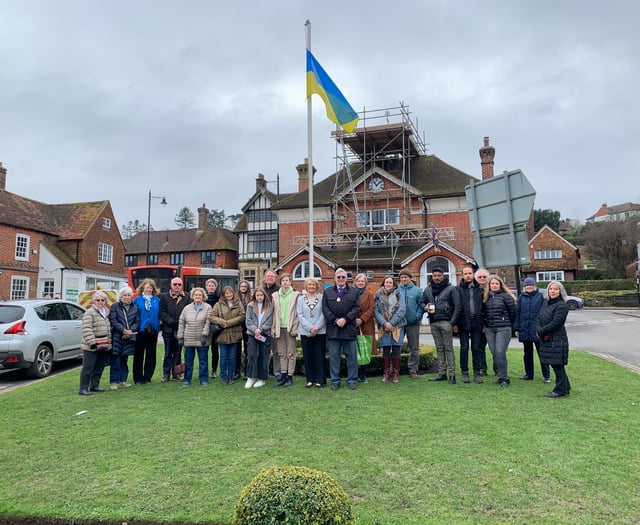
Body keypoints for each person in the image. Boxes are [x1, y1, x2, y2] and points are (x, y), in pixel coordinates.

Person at [321, 268, 360, 390]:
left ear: (346, 279)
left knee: (351, 357)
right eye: (339, 277)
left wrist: (345, 319)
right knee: (334, 358)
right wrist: (336, 320)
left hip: (348, 329)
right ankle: (335, 381)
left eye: (343, 277)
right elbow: (325, 309)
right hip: (333, 329)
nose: (341, 279)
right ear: (335, 279)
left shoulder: (354, 292)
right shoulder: (327, 292)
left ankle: (352, 380)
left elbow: (356, 308)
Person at [421, 268, 461, 384]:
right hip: (433, 322)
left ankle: (452, 374)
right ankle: (441, 373)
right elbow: (422, 302)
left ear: (443, 276)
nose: (437, 277)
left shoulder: (451, 289)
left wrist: (452, 322)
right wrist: (425, 307)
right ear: (432, 277)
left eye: (439, 275)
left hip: (446, 321)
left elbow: (457, 306)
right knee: (439, 348)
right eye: (434, 275)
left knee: (448, 348)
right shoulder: (428, 289)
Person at [537, 281, 571, 398]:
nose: (553, 291)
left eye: (556, 289)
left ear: (560, 291)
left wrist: (541, 331)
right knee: (554, 364)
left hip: (557, 338)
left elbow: (556, 322)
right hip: (546, 338)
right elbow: (539, 317)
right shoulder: (546, 303)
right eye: (551, 289)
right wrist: (539, 329)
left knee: (557, 364)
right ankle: (566, 387)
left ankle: (560, 390)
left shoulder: (562, 305)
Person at [482, 275, 517, 388]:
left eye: (497, 283)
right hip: (490, 329)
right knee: (495, 353)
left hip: (503, 328)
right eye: (492, 283)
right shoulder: (486, 297)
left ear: (500, 285)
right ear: (489, 285)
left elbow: (513, 313)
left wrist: (511, 326)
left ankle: (505, 378)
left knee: (500, 352)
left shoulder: (506, 297)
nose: (494, 285)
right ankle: (501, 376)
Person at [514, 277, 550, 383]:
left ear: (534, 286)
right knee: (527, 354)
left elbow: (545, 314)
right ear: (524, 287)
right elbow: (518, 313)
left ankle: (546, 375)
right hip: (524, 329)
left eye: (530, 285)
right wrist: (516, 328)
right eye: (526, 285)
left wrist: (543, 328)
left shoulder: (540, 297)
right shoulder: (521, 297)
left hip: (537, 330)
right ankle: (529, 374)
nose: (528, 287)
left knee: (541, 353)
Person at [455, 264, 486, 384]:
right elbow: (456, 307)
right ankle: (465, 372)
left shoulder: (480, 289)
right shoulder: (457, 290)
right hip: (463, 322)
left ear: (473, 275)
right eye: (465, 274)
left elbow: (484, 307)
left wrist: (483, 320)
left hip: (477, 322)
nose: (468, 276)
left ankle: (477, 373)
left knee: (476, 348)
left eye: (470, 273)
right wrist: (455, 323)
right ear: (462, 276)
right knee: (464, 348)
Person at [374, 275, 407, 384]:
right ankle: (386, 373)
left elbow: (402, 309)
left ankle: (396, 374)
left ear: (393, 284)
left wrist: (392, 323)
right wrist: (385, 323)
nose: (388, 284)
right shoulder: (378, 295)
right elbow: (376, 311)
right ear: (383, 284)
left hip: (397, 326)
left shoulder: (399, 294)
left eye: (390, 283)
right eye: (386, 282)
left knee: (396, 349)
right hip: (384, 327)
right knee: (386, 350)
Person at [210, 286, 245, 385]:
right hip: (222, 334)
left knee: (232, 357)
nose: (229, 295)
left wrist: (228, 323)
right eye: (227, 293)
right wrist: (222, 322)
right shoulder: (218, 304)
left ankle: (231, 376)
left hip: (234, 333)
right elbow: (212, 317)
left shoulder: (238, 304)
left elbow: (242, 316)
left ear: (233, 293)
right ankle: (223, 377)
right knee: (224, 357)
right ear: (223, 295)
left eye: (230, 293)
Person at [78, 291, 112, 395]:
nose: (100, 302)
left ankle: (94, 386)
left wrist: (109, 343)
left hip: (103, 345)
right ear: (94, 301)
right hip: (91, 346)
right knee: (88, 368)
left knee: (99, 367)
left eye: (102, 300)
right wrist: (92, 342)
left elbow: (108, 330)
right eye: (98, 300)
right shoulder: (89, 312)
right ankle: (83, 388)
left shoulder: (106, 312)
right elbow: (87, 328)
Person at [177, 287, 212, 386]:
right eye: (196, 295)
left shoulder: (208, 307)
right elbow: (181, 322)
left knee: (203, 360)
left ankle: (204, 379)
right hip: (189, 338)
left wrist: (205, 334)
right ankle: (187, 379)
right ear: (193, 296)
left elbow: (208, 322)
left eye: (199, 295)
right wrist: (180, 336)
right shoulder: (187, 308)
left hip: (202, 339)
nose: (197, 296)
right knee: (188, 361)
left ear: (203, 296)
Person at [297, 277, 327, 388]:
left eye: (313, 285)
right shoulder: (301, 299)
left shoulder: (322, 298)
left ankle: (320, 379)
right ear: (306, 286)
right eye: (309, 285)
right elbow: (300, 315)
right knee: (308, 356)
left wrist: (316, 328)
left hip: (320, 331)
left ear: (316, 286)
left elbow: (324, 314)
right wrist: (310, 328)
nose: (311, 287)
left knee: (319, 356)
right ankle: (309, 379)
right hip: (305, 331)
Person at [159, 277, 190, 382]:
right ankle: (166, 373)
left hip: (181, 329)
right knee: (168, 352)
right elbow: (162, 312)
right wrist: (171, 322)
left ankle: (176, 373)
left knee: (178, 352)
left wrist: (181, 323)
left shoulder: (187, 297)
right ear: (171, 285)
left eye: (179, 284)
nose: (177, 286)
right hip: (168, 329)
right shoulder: (164, 296)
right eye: (175, 284)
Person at [108, 286, 139, 390]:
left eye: (128, 295)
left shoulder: (135, 307)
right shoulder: (115, 306)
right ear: (120, 296)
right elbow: (113, 320)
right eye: (124, 295)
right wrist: (123, 330)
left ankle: (123, 381)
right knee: (115, 360)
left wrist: (131, 331)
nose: (127, 297)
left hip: (129, 337)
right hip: (118, 336)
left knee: (124, 360)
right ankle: (113, 382)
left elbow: (137, 321)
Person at [271, 273, 299, 387]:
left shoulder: (296, 295)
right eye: (283, 281)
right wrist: (273, 327)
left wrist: (294, 326)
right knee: (281, 353)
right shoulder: (275, 296)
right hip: (279, 327)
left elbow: (297, 313)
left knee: (290, 353)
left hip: (290, 327)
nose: (285, 283)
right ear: (280, 283)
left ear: (290, 282)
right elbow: (273, 313)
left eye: (287, 280)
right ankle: (283, 375)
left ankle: (290, 375)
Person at [132, 278, 161, 384]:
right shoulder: (137, 300)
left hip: (153, 329)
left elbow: (159, 314)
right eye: (147, 287)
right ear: (142, 288)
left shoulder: (157, 300)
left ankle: (147, 377)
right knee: (138, 354)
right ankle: (138, 378)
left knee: (151, 354)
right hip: (140, 329)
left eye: (151, 287)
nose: (149, 289)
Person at [244, 289, 273, 388]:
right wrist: (254, 330)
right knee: (251, 355)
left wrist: (260, 330)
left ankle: (262, 378)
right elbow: (248, 320)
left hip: (264, 334)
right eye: (257, 295)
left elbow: (270, 320)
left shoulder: (270, 306)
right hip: (252, 334)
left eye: (261, 295)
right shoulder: (250, 306)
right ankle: (251, 377)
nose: (259, 297)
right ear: (254, 296)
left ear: (264, 296)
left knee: (263, 356)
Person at [397, 269, 423, 379]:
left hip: (413, 323)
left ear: (410, 278)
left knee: (414, 348)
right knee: (397, 346)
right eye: (402, 277)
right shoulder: (396, 290)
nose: (403, 279)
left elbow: (421, 305)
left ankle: (413, 369)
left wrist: (417, 316)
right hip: (398, 323)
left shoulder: (417, 291)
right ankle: (395, 369)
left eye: (405, 277)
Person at [354, 273, 376, 383]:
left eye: (362, 281)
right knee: (354, 348)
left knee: (365, 348)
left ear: (365, 283)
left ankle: (363, 374)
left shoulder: (369, 294)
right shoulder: (351, 293)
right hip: (353, 324)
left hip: (366, 323)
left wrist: (362, 319)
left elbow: (372, 308)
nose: (360, 283)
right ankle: (355, 373)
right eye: (359, 281)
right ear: (355, 282)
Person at [262, 269, 280, 380]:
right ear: (264, 278)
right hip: (263, 325)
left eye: (272, 277)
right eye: (268, 276)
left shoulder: (279, 290)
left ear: (275, 278)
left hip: (275, 324)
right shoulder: (261, 290)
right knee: (264, 351)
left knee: (276, 350)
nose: (269, 278)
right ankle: (264, 372)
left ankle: (277, 373)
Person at [474, 268, 491, 375]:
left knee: (495, 348)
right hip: (479, 323)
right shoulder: (474, 290)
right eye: (480, 277)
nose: (482, 279)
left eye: (484, 277)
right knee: (480, 347)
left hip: (493, 322)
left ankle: (498, 369)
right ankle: (482, 368)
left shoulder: (494, 288)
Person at [204, 278, 220, 379]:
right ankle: (204, 370)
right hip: (204, 327)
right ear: (206, 287)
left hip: (215, 327)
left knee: (215, 350)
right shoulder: (202, 298)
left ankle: (214, 370)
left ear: (215, 287)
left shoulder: (219, 298)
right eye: (209, 285)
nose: (211, 287)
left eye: (213, 286)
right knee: (204, 350)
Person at [237, 279, 253, 379]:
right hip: (237, 326)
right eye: (242, 286)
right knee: (237, 350)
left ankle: (247, 372)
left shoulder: (251, 298)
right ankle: (237, 371)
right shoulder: (235, 298)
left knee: (248, 350)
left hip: (248, 326)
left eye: (245, 286)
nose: (243, 288)